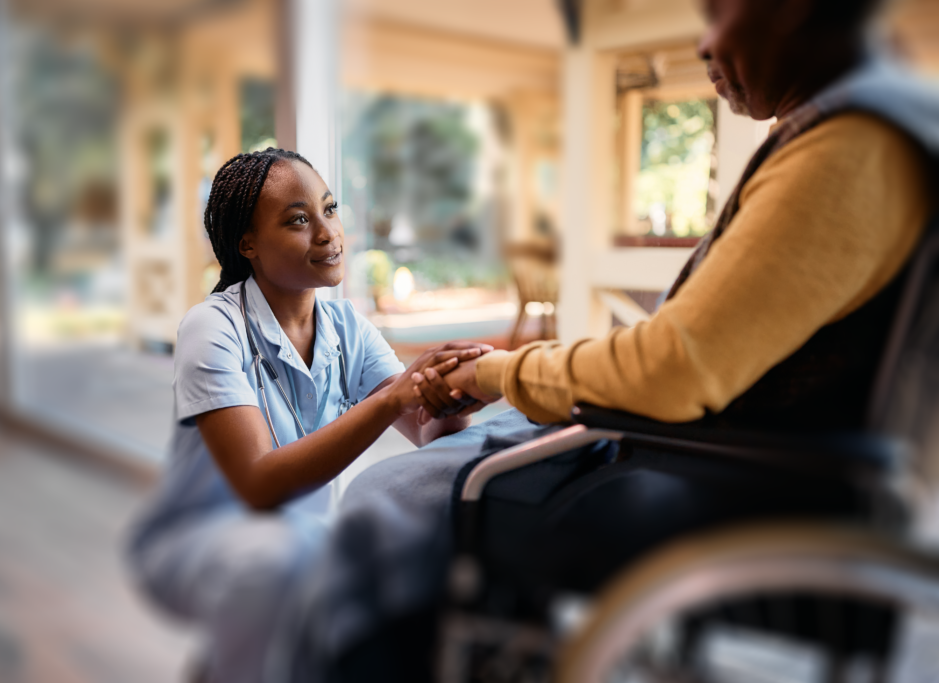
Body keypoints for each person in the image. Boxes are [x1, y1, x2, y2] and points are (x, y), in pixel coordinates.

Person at [436, 0, 935, 432]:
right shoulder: (875, 124)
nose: (703, 45)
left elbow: (668, 370)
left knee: (394, 491)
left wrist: (496, 372)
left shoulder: (845, 149)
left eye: (716, 13)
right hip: (746, 455)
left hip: (721, 471)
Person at [126, 147, 487, 683]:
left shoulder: (347, 328)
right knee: (282, 562)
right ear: (247, 244)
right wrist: (390, 399)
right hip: (194, 544)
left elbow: (425, 431)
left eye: (330, 209)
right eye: (298, 220)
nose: (327, 232)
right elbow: (257, 486)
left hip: (294, 544)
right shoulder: (212, 328)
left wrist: (450, 400)